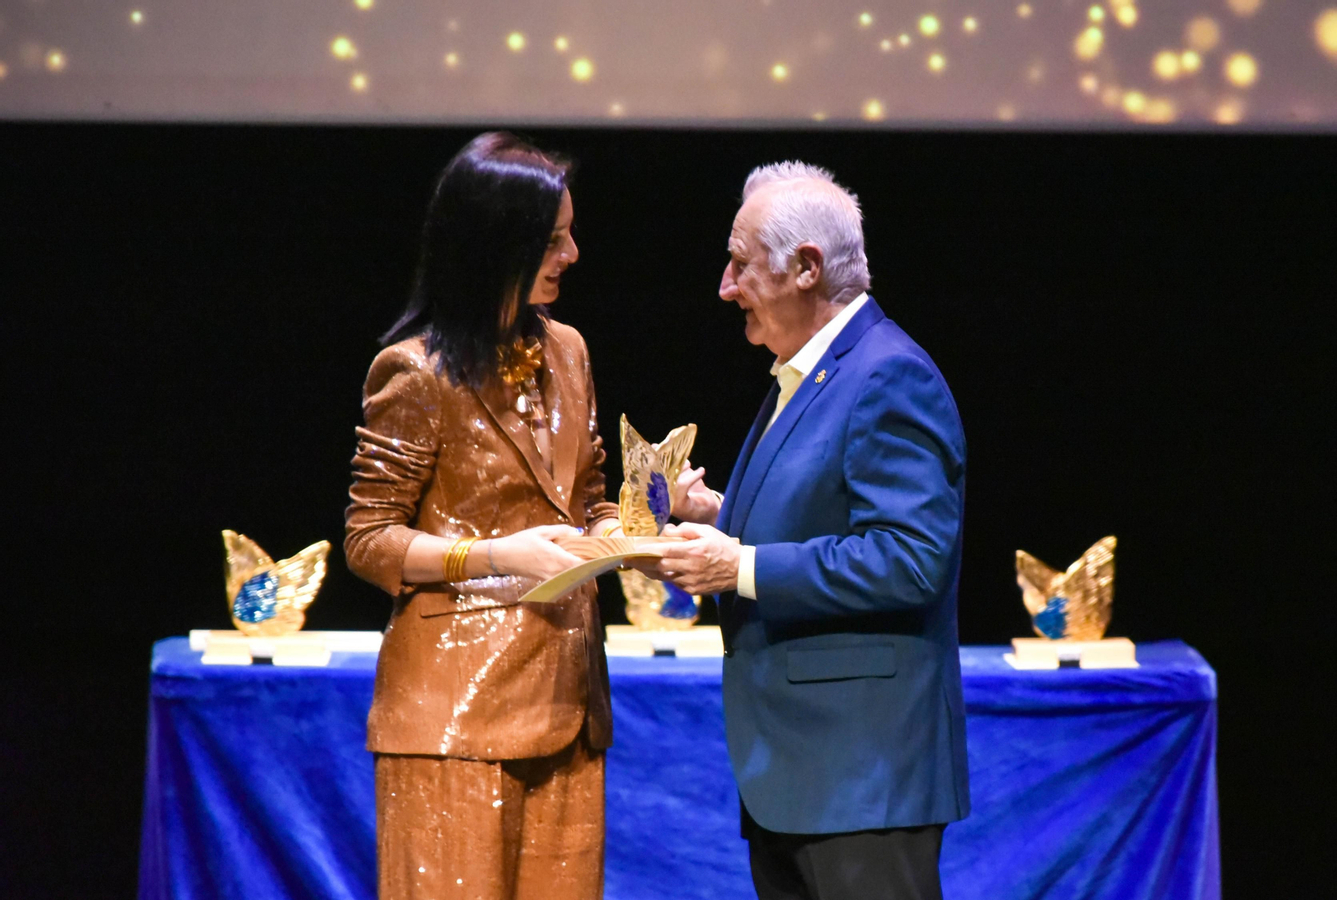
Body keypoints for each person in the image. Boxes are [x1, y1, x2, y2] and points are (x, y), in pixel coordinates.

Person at [654, 162, 970, 900]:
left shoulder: (890, 376)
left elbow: (911, 559)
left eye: (740, 264)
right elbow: (824, 520)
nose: (726, 287)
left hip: (863, 778)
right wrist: (718, 517)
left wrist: (740, 567)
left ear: (805, 269)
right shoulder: (812, 373)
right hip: (804, 774)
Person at [344, 132, 621, 900]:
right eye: (554, 239)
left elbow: (590, 496)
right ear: (498, 243)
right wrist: (500, 555)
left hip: (568, 708)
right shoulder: (414, 371)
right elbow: (368, 542)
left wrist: (627, 531)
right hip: (453, 722)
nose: (571, 254)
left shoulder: (568, 351)